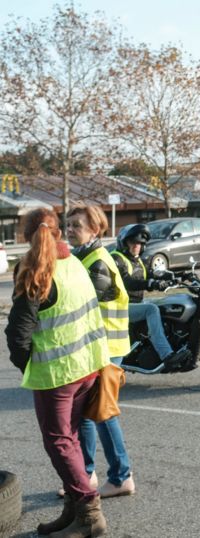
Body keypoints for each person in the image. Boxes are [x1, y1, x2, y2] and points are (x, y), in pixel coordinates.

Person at [6, 208, 110, 537]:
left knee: (59, 442)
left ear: (25, 236)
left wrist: (29, 365)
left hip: (58, 374)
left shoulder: (36, 270)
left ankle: (89, 514)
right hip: (88, 366)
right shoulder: (75, 263)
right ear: (59, 234)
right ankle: (74, 509)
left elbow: (18, 335)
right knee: (72, 438)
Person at [65, 202, 135, 500]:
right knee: (85, 414)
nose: (68, 230)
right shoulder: (81, 257)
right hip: (94, 349)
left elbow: (79, 307)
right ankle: (88, 472)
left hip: (106, 350)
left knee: (103, 414)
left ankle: (121, 478)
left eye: (76, 225)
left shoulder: (98, 262)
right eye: (67, 224)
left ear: (95, 229)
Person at [111, 224, 190, 367]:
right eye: (133, 242)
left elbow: (154, 273)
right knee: (151, 309)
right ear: (124, 243)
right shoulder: (117, 259)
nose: (137, 246)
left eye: (140, 243)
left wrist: (181, 275)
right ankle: (166, 355)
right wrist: (151, 284)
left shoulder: (137, 260)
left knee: (163, 303)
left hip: (136, 303)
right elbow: (127, 281)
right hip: (118, 307)